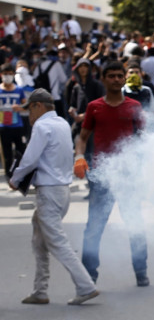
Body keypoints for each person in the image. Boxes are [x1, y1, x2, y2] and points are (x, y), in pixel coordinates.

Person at [9, 89, 100, 305]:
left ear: (38, 106)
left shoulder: (42, 126)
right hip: (61, 190)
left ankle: (85, 286)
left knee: (57, 242)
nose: (28, 116)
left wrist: (15, 179)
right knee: (39, 241)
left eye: (29, 110)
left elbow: (31, 160)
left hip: (49, 192)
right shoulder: (61, 124)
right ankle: (40, 291)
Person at [73, 61, 149, 287]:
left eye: (119, 76)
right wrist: (79, 157)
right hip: (101, 175)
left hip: (128, 175)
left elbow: (144, 140)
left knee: (134, 224)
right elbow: (83, 137)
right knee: (94, 227)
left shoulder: (134, 106)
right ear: (104, 79)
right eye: (112, 76)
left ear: (124, 78)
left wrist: (145, 168)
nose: (116, 79)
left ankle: (141, 271)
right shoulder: (94, 107)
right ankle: (89, 276)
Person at [0, 63, 27, 178]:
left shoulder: (19, 90)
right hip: (3, 125)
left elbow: (26, 105)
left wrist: (19, 108)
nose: (7, 76)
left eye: (10, 74)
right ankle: (9, 174)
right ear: (1, 75)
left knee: (20, 150)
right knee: (6, 152)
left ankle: (19, 172)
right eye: (5, 74)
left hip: (17, 125)